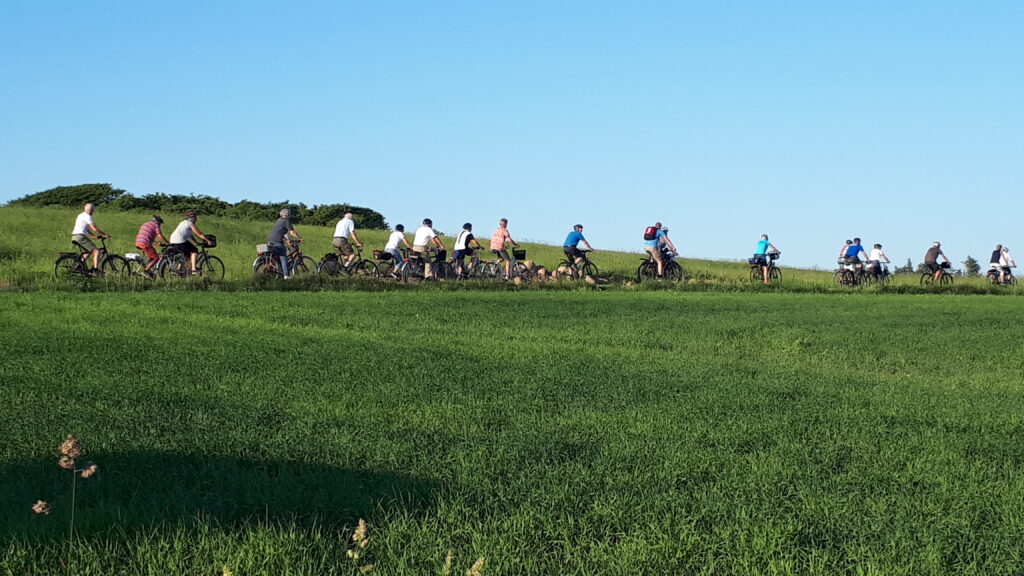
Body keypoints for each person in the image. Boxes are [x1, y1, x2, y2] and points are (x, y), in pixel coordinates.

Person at [70, 203, 108, 272]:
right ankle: (95, 269)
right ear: (91, 210)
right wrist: (104, 234)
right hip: (80, 237)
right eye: (93, 210)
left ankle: (79, 266)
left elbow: (86, 229)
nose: (93, 212)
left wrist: (93, 236)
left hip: (75, 236)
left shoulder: (80, 215)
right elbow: (94, 228)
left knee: (88, 251)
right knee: (97, 251)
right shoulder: (88, 216)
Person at [268, 208, 304, 278]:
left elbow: (279, 233)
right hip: (277, 241)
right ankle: (286, 275)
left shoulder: (278, 220)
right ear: (288, 215)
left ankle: (278, 272)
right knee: (283, 257)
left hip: (270, 240)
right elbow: (292, 233)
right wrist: (300, 238)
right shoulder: (287, 221)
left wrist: (286, 240)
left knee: (277, 257)